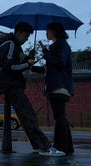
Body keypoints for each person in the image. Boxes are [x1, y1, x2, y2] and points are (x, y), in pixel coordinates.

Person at [0, 22, 65, 156]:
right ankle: (45, 147)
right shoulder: (10, 44)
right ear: (18, 33)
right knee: (28, 114)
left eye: (28, 37)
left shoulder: (15, 45)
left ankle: (37, 145)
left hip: (9, 83)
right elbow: (9, 66)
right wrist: (27, 63)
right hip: (11, 84)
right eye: (25, 36)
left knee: (25, 115)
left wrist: (29, 58)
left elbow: (19, 63)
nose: (26, 39)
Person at [40, 22, 74, 155]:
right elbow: (53, 66)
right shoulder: (56, 45)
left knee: (59, 117)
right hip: (56, 85)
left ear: (54, 31)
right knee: (61, 118)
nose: (46, 33)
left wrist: (46, 52)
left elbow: (60, 63)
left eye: (47, 31)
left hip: (59, 86)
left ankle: (59, 147)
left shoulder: (62, 44)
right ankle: (67, 148)